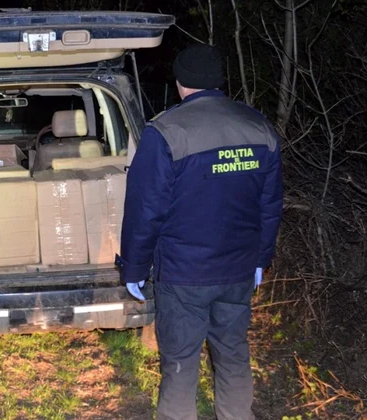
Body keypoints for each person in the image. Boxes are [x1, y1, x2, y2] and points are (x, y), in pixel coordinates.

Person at [115, 43, 283, 420]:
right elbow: (270, 206)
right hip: (238, 271)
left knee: (180, 361)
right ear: (220, 81)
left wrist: (134, 268)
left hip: (184, 275)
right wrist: (260, 259)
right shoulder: (258, 126)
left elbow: (145, 211)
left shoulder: (166, 132)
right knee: (235, 353)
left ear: (180, 84)